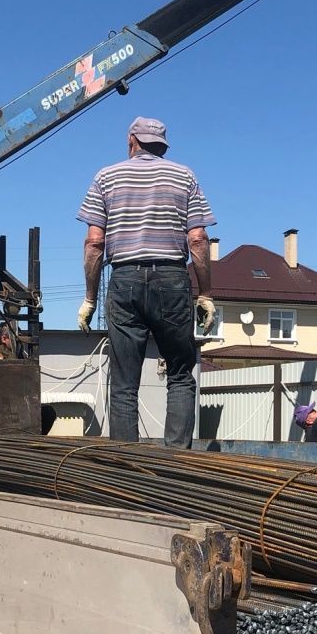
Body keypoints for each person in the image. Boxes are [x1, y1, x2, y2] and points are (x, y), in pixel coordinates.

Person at [76, 116, 217, 448]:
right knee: (180, 374)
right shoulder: (184, 176)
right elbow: (198, 239)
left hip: (124, 278)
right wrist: (206, 294)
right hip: (172, 278)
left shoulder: (106, 177)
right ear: (162, 147)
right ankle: (175, 462)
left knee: (124, 383)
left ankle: (127, 464)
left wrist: (90, 298)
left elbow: (94, 242)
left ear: (131, 141)